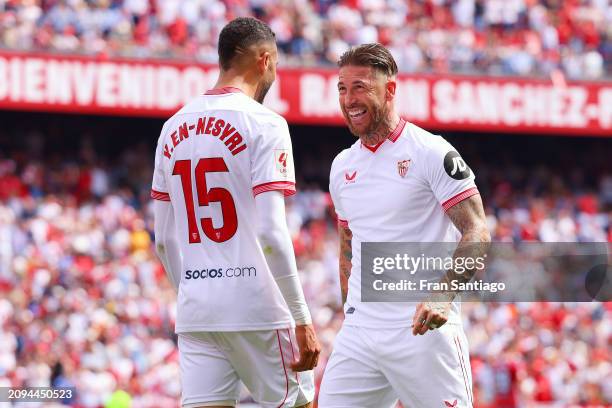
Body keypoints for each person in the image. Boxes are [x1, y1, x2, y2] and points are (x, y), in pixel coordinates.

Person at [151, 17, 321, 408]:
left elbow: (164, 240)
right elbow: (272, 235)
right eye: (276, 64)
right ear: (264, 60)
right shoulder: (265, 123)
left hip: (197, 311)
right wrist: (301, 317)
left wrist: (192, 293)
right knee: (297, 404)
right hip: (257, 307)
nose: (275, 73)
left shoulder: (172, 127)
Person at [318, 43, 491, 408]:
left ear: (390, 90)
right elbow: (348, 243)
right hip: (361, 332)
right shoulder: (341, 166)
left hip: (422, 331)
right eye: (342, 88)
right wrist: (351, 311)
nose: (349, 99)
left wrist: (443, 295)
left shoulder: (431, 152)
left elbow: (477, 231)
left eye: (360, 87)